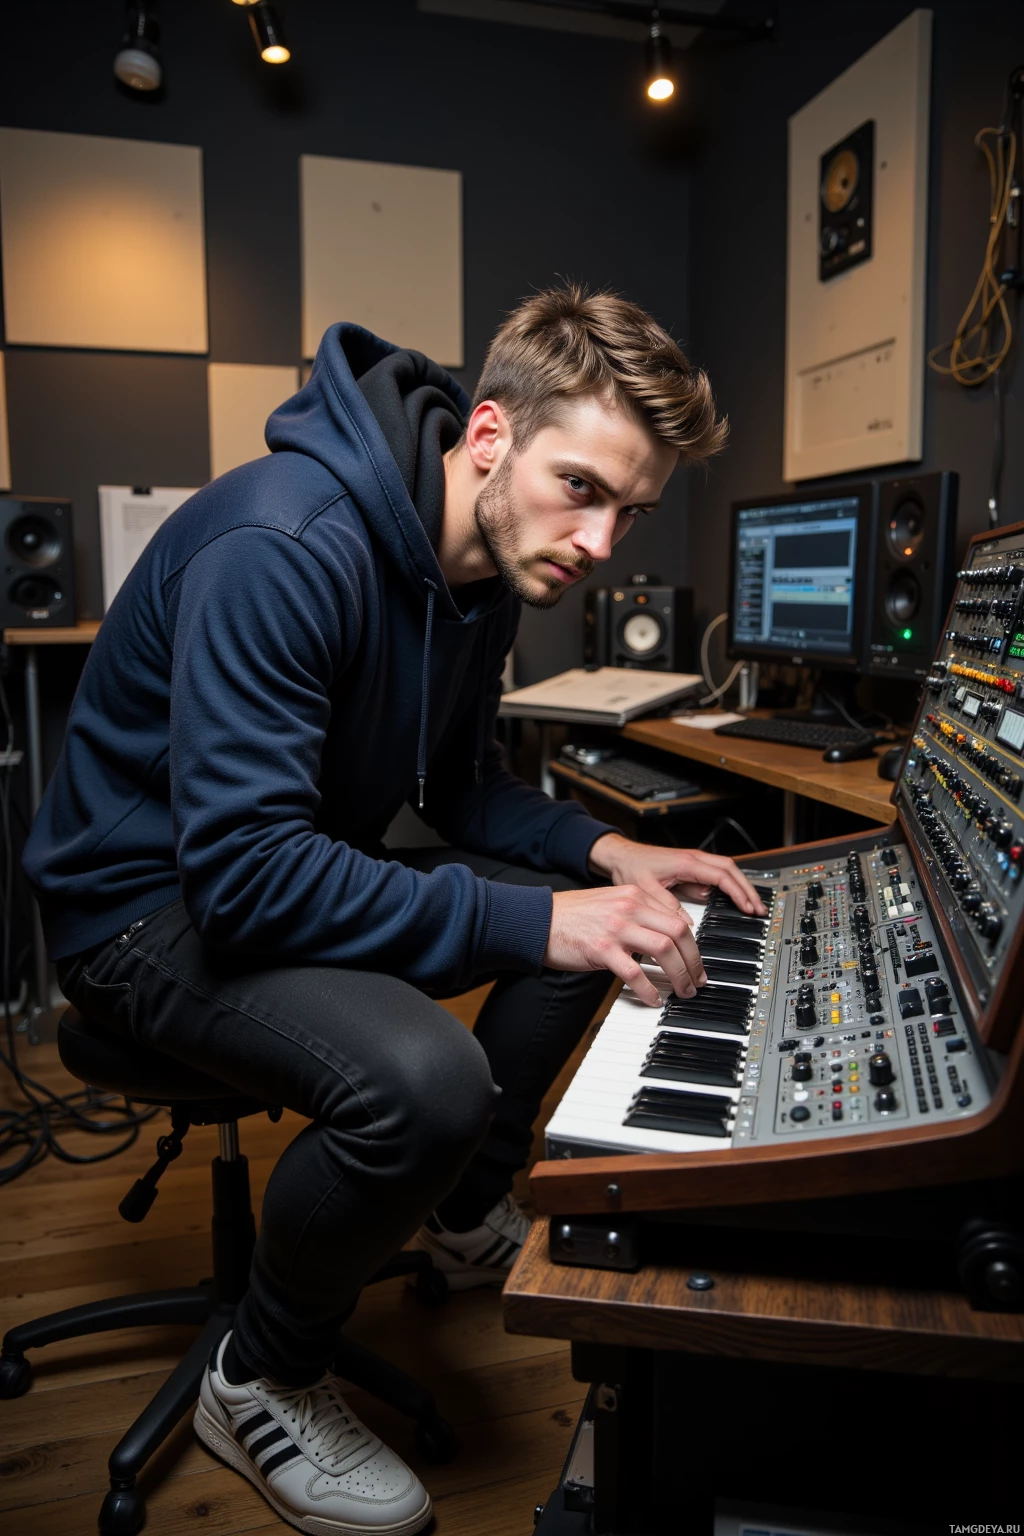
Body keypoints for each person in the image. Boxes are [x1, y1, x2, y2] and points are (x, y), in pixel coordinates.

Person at [24, 284, 763, 1536]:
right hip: (140, 914)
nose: (601, 544)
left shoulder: (474, 569)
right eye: (580, 488)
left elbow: (465, 788)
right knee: (427, 1079)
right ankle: (260, 1369)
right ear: (488, 436)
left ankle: (459, 1207)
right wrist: (541, 921)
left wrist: (607, 851)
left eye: (630, 512)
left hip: (268, 870)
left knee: (598, 922)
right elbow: (246, 877)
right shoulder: (285, 546)